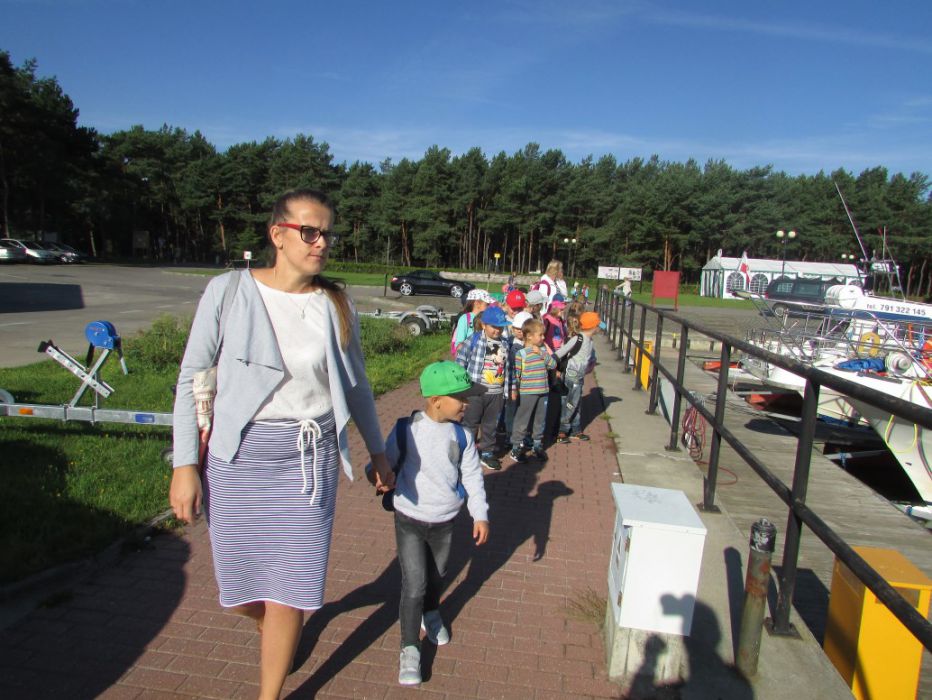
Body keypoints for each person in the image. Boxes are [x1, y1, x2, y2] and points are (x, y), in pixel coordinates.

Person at [169, 188, 394, 700]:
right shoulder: (228, 291)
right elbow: (191, 377)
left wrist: (378, 452)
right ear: (278, 234)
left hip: (308, 462)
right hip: (238, 458)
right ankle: (269, 624)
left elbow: (357, 384)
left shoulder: (334, 303)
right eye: (309, 232)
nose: (321, 243)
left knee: (290, 590)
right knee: (239, 591)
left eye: (327, 234)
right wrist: (185, 465)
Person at [381, 361, 490, 686]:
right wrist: (378, 474)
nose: (466, 403)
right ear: (436, 400)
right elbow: (385, 463)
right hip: (409, 519)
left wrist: (480, 514)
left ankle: (431, 613)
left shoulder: (463, 436)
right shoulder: (407, 430)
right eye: (461, 397)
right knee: (414, 584)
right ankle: (409, 647)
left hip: (444, 521)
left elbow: (472, 477)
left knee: (438, 575)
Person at [454, 305, 511, 470]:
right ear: (484, 325)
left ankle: (487, 452)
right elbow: (460, 361)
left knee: (490, 425)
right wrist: (460, 387)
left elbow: (509, 368)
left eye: (501, 327)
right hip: (475, 391)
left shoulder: (505, 344)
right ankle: (466, 452)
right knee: (470, 423)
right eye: (494, 326)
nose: (498, 330)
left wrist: (510, 388)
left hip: (496, 392)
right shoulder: (474, 340)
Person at [509, 318, 556, 463]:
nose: (543, 337)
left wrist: (542, 353)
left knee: (540, 420)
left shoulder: (542, 351)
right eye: (540, 335)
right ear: (529, 336)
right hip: (527, 392)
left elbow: (553, 364)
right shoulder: (521, 354)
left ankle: (537, 445)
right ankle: (516, 447)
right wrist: (514, 389)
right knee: (522, 420)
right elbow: (516, 374)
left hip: (543, 391)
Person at [556, 311, 600, 443]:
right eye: (598, 325)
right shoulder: (578, 339)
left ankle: (575, 429)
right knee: (570, 404)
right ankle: (562, 431)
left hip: (579, 377)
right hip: (571, 376)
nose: (599, 328)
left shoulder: (590, 341)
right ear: (593, 327)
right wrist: (550, 364)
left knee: (576, 403)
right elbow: (561, 352)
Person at [451, 289, 491, 357]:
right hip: (469, 355)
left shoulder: (487, 318)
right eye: (487, 304)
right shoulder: (465, 318)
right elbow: (459, 342)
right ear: (477, 303)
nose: (489, 307)